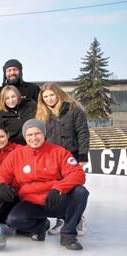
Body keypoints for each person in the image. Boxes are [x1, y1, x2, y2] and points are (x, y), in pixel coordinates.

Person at [0, 119, 88, 250]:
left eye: (37, 133)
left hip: (56, 199)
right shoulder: (16, 155)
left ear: (44, 134)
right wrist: (1, 184)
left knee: (80, 192)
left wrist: (58, 188)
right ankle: (41, 226)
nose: (33, 138)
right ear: (25, 137)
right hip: (32, 201)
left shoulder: (59, 152)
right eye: (29, 135)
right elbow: (0, 173)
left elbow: (78, 173)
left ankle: (68, 235)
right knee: (13, 220)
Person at [35, 82, 90, 235]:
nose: (49, 99)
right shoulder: (42, 115)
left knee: (74, 188)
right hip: (52, 159)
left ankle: (78, 217)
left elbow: (83, 132)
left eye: (52, 95)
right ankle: (61, 219)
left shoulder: (74, 109)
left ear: (58, 94)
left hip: (71, 156)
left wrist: (83, 155)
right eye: (45, 97)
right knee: (57, 189)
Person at [0, 127, 21, 225]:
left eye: (1, 136)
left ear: (8, 135)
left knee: (15, 222)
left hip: (15, 190)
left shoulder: (19, 149)